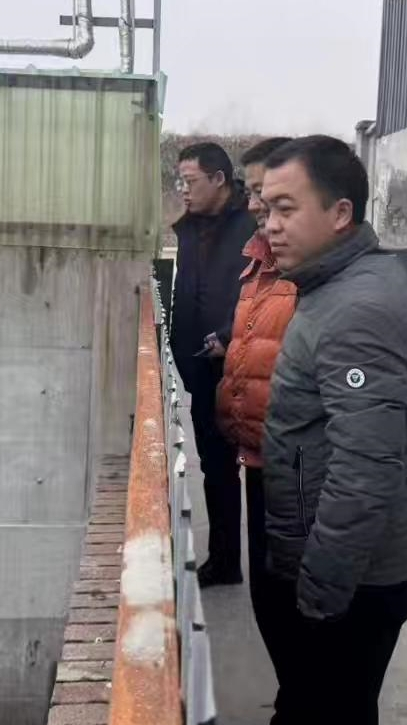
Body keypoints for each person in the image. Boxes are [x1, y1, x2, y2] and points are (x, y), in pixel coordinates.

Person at [257, 136, 407, 725]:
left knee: (345, 711)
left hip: (362, 567)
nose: (270, 224)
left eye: (285, 207)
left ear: (340, 213)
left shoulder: (356, 307)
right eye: (265, 208)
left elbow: (365, 467)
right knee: (338, 708)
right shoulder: (340, 286)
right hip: (355, 558)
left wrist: (322, 587)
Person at [214, 136, 308, 725]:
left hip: (295, 471)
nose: (258, 208)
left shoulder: (309, 275)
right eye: (255, 194)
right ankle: (291, 721)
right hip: (258, 458)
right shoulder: (258, 265)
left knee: (300, 618)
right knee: (271, 608)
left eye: (272, 198)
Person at [170, 142, 256, 588]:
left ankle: (268, 568)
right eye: (180, 182)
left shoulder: (252, 226)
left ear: (219, 179)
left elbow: (261, 292)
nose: (184, 191)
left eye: (190, 181)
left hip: (243, 363)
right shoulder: (192, 227)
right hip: (202, 367)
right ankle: (224, 560)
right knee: (216, 467)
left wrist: (229, 335)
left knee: (257, 469)